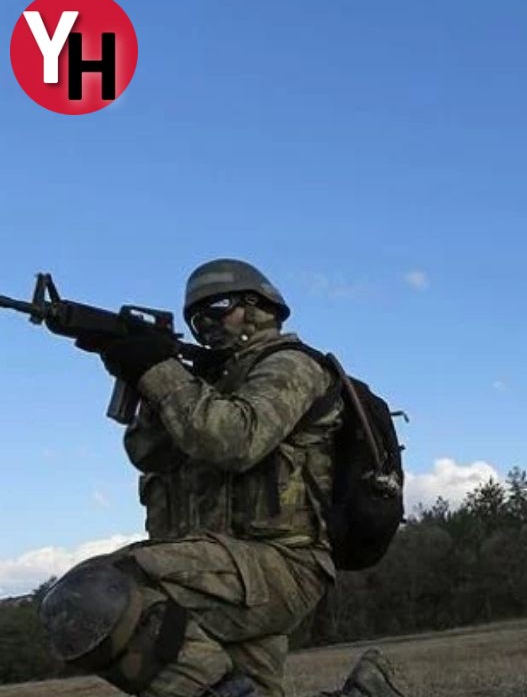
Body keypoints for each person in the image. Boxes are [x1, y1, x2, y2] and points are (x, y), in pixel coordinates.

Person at [36, 259, 406, 697]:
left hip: (279, 565)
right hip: (223, 567)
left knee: (93, 594)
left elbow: (233, 439)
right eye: (196, 317)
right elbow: (147, 454)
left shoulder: (291, 365)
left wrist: (158, 370)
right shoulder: (207, 384)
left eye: (220, 307)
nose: (206, 323)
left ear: (259, 307)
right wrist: (145, 371)